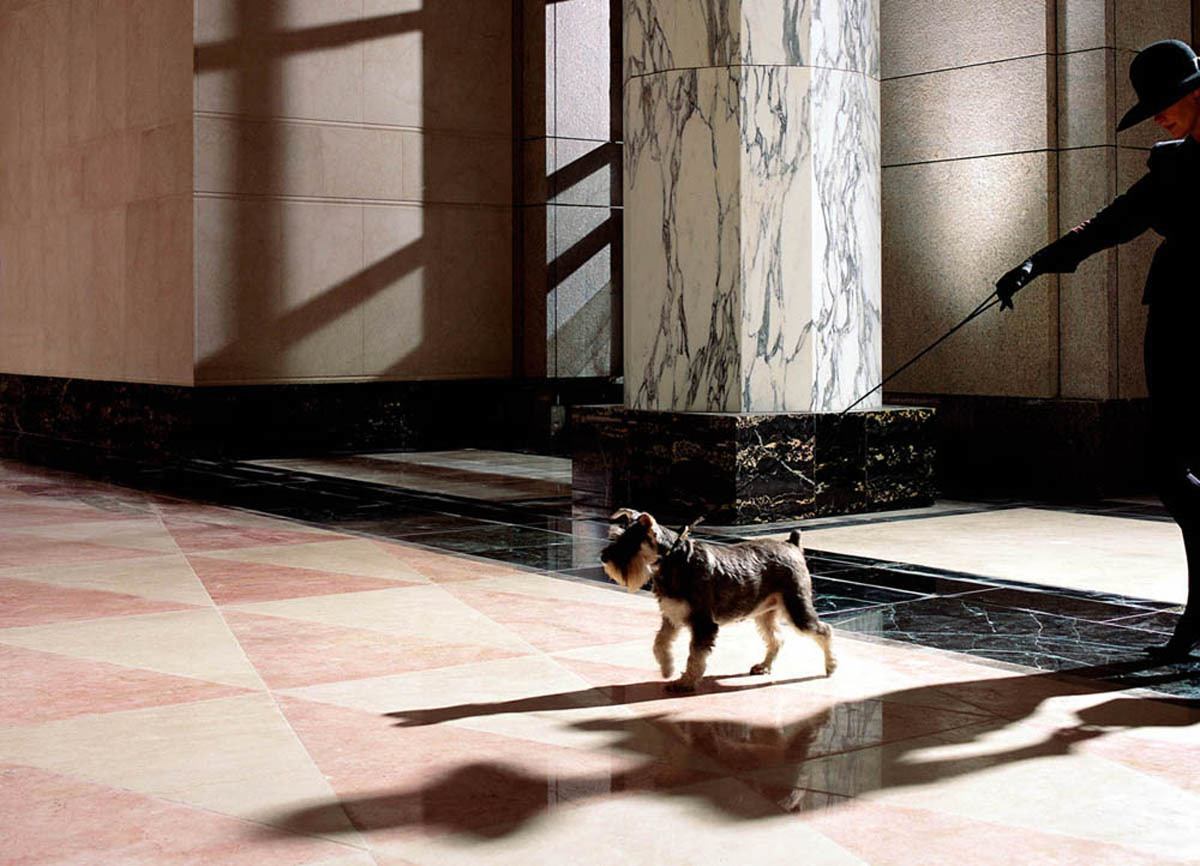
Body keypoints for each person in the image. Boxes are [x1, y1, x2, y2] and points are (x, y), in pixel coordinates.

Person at [996, 39, 1200, 661]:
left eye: (1166, 102)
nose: (1160, 115)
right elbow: (1110, 224)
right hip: (1175, 320)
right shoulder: (1169, 165)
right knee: (1167, 468)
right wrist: (1036, 264)